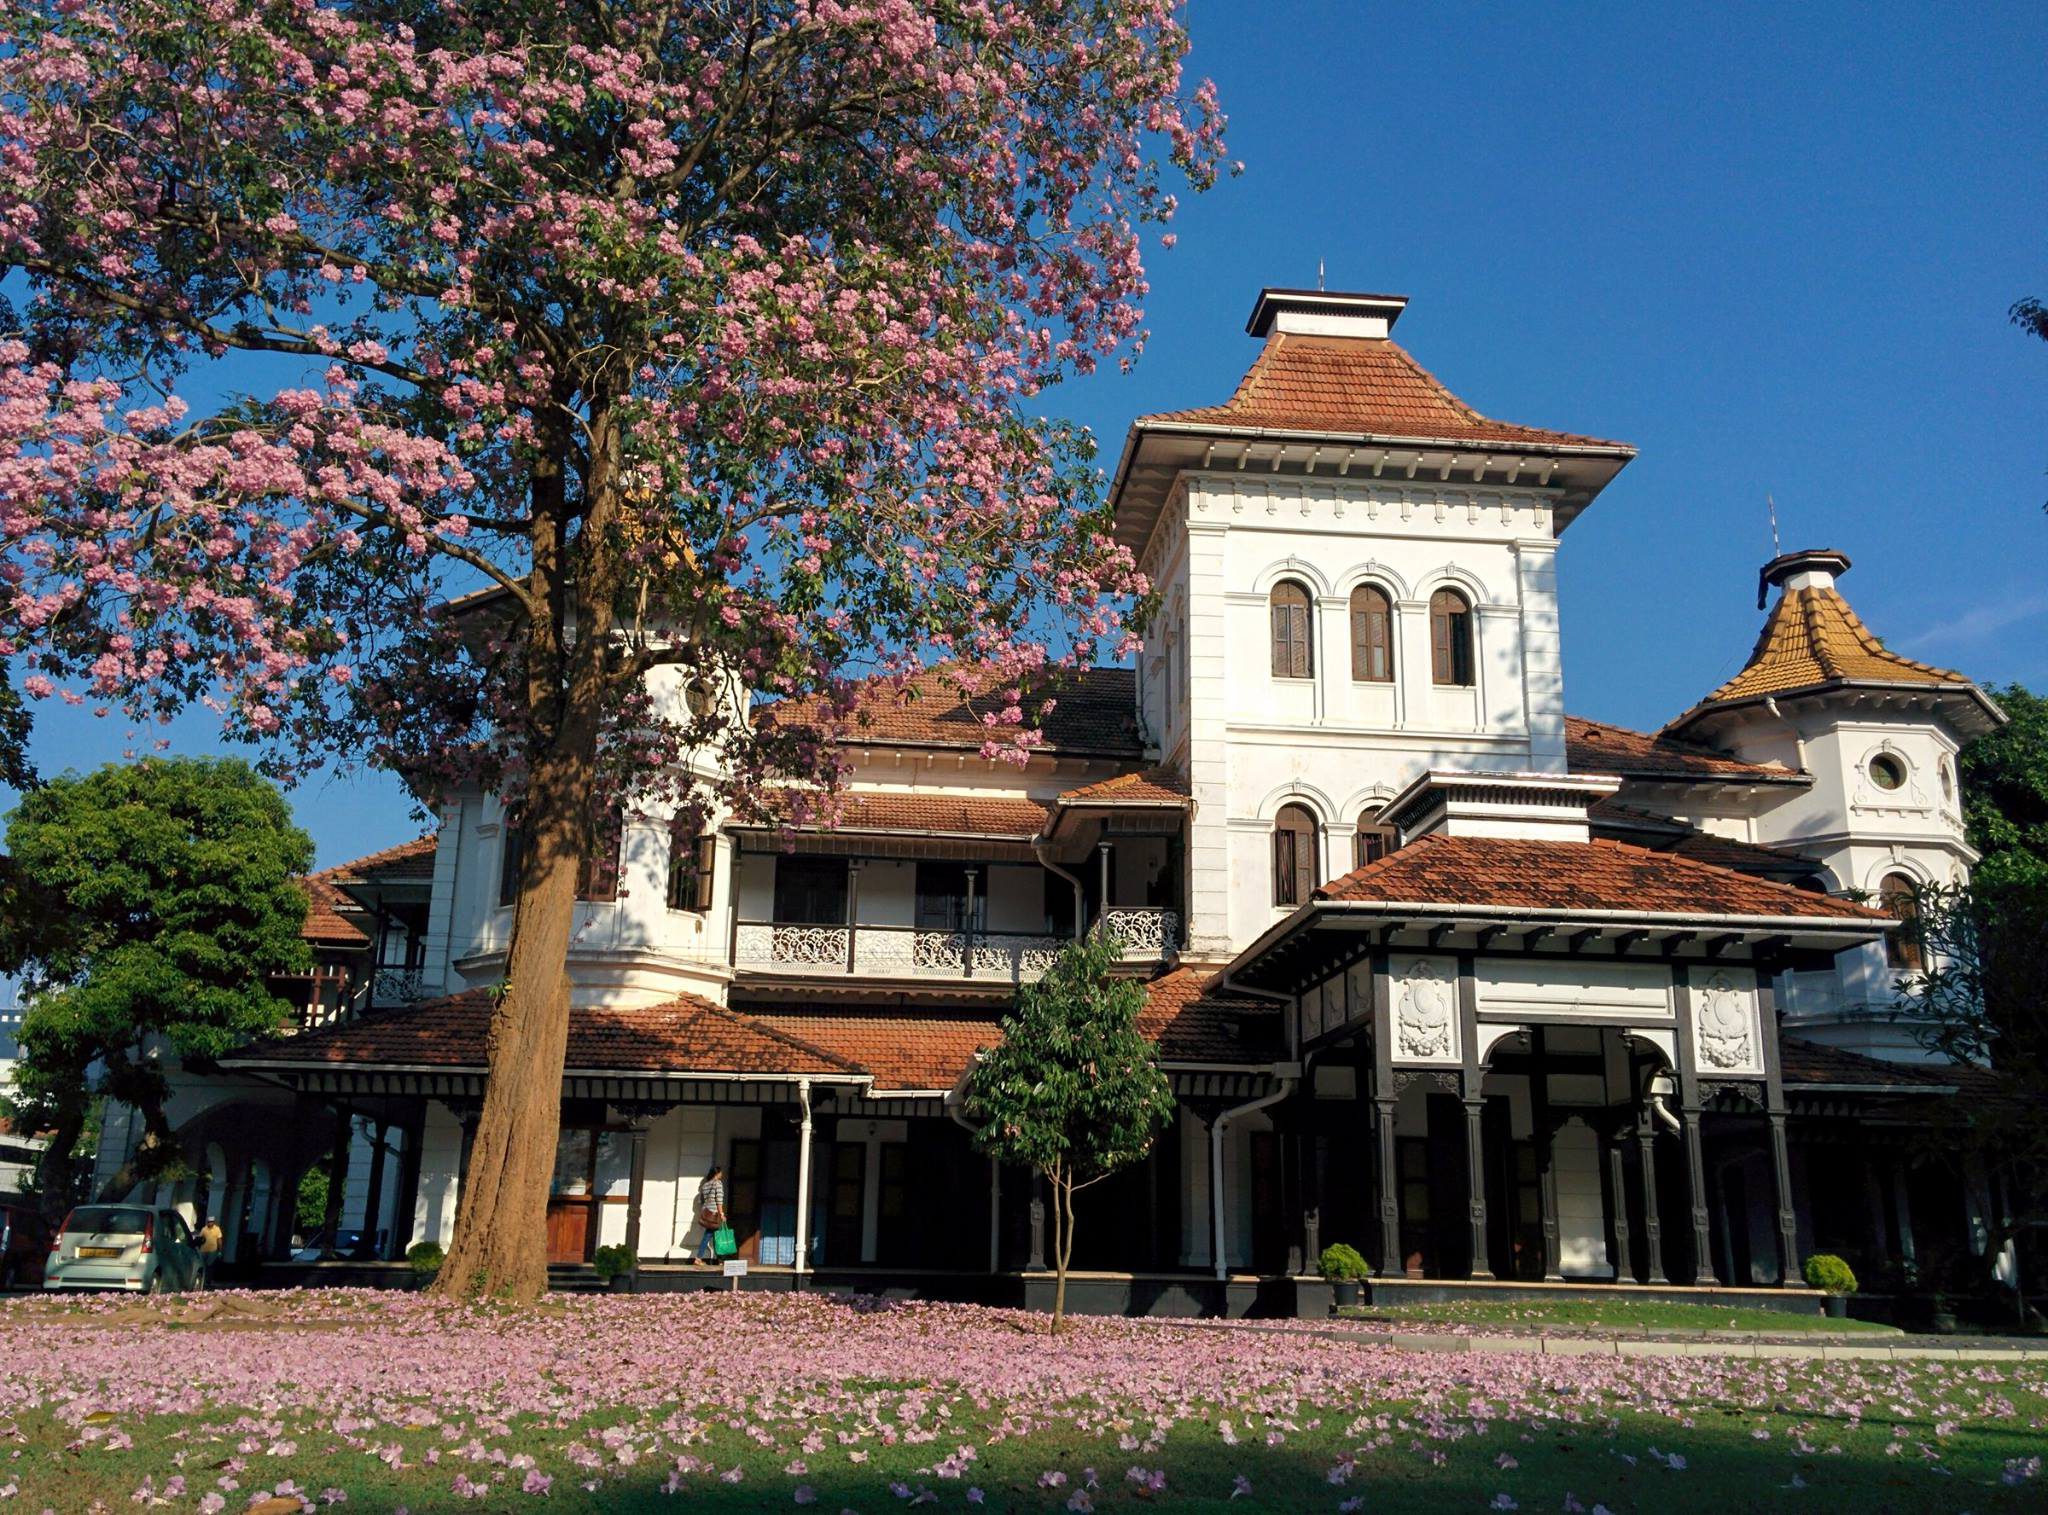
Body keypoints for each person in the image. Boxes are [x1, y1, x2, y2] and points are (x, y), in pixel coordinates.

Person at [692, 1165, 727, 1264]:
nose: (722, 1174)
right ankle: (699, 1258)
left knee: (713, 1235)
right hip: (714, 1214)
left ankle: (719, 1259)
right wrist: (722, 1214)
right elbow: (719, 1200)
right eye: (721, 1172)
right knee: (710, 1235)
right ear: (717, 1173)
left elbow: (702, 1201)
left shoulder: (705, 1185)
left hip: (707, 1213)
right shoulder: (718, 1184)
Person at [194, 1215, 224, 1290]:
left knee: (210, 1265)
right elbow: (200, 1238)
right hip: (203, 1250)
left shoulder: (217, 1229)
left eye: (211, 1222)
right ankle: (203, 1281)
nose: (210, 1223)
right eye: (208, 1222)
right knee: (203, 1266)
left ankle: (208, 1281)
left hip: (212, 1251)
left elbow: (219, 1240)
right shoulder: (204, 1229)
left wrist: (220, 1251)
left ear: (213, 1222)